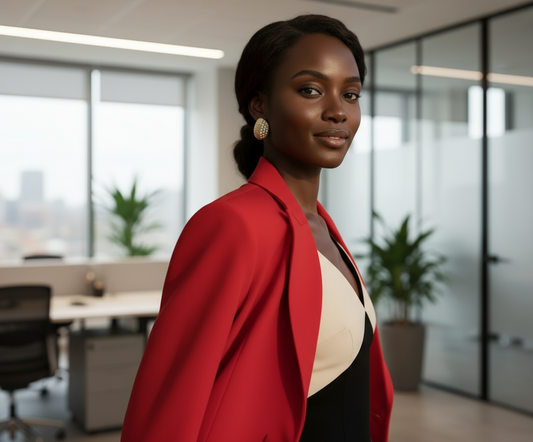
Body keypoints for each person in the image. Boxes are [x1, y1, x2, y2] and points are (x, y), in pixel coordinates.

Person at [121, 14, 393, 442]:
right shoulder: (232, 224)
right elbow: (171, 396)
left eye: (351, 93)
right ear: (259, 104)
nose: (338, 110)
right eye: (310, 90)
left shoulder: (323, 227)